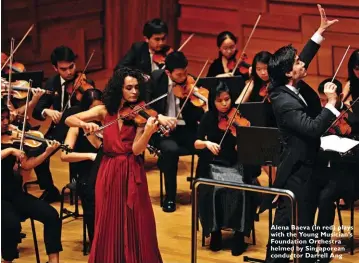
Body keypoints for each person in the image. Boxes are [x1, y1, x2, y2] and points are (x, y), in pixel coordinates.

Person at [261, 4, 340, 263]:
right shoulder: (282, 100)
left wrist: (319, 32)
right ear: (287, 73)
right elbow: (312, 128)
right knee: (285, 228)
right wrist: (330, 103)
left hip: (310, 165)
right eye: (296, 63)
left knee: (304, 226)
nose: (302, 63)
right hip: (295, 170)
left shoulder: (288, 81)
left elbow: (302, 59)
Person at [65, 67, 162, 263]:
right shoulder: (103, 111)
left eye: (136, 88)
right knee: (109, 220)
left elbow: (136, 149)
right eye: (129, 88)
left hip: (130, 169)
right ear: (119, 89)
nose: (134, 92)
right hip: (108, 170)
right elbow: (69, 118)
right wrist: (85, 125)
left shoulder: (141, 115)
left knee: (136, 221)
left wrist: (149, 132)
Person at [194, 82, 259, 256]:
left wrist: (242, 144)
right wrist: (207, 143)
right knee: (213, 189)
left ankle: (239, 235)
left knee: (241, 190)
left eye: (227, 99)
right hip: (215, 165)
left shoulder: (238, 117)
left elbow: (251, 146)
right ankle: (215, 232)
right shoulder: (208, 117)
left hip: (236, 164)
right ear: (212, 101)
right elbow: (196, 142)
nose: (224, 104)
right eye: (219, 100)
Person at [1, 102, 63, 263]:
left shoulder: (12, 137)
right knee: (11, 226)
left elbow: (27, 165)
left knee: (51, 215)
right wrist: (8, 150)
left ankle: (53, 261)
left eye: (7, 118)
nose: (6, 123)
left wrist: (47, 152)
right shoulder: (8, 146)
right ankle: (7, 260)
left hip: (14, 193)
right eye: (1, 119)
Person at [32, 45, 95, 203]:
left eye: (71, 67)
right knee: (36, 151)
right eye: (63, 69)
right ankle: (50, 189)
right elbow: (37, 110)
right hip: (59, 130)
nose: (69, 72)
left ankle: (78, 185)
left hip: (78, 131)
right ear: (55, 68)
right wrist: (47, 111)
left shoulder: (86, 82)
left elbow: (93, 109)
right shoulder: (52, 83)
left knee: (73, 111)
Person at [147, 51, 205, 212]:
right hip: (162, 130)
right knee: (170, 151)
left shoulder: (190, 82)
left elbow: (197, 115)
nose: (184, 77)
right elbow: (145, 106)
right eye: (179, 74)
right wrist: (160, 117)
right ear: (168, 72)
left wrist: (196, 100)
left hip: (185, 128)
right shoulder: (156, 79)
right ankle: (170, 197)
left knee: (205, 147)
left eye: (186, 72)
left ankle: (200, 190)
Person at [60, 89, 103, 243]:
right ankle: (96, 242)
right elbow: (64, 156)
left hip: (105, 172)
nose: (96, 114)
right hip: (86, 175)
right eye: (93, 110)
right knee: (92, 194)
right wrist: (89, 156)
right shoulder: (76, 127)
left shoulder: (107, 124)